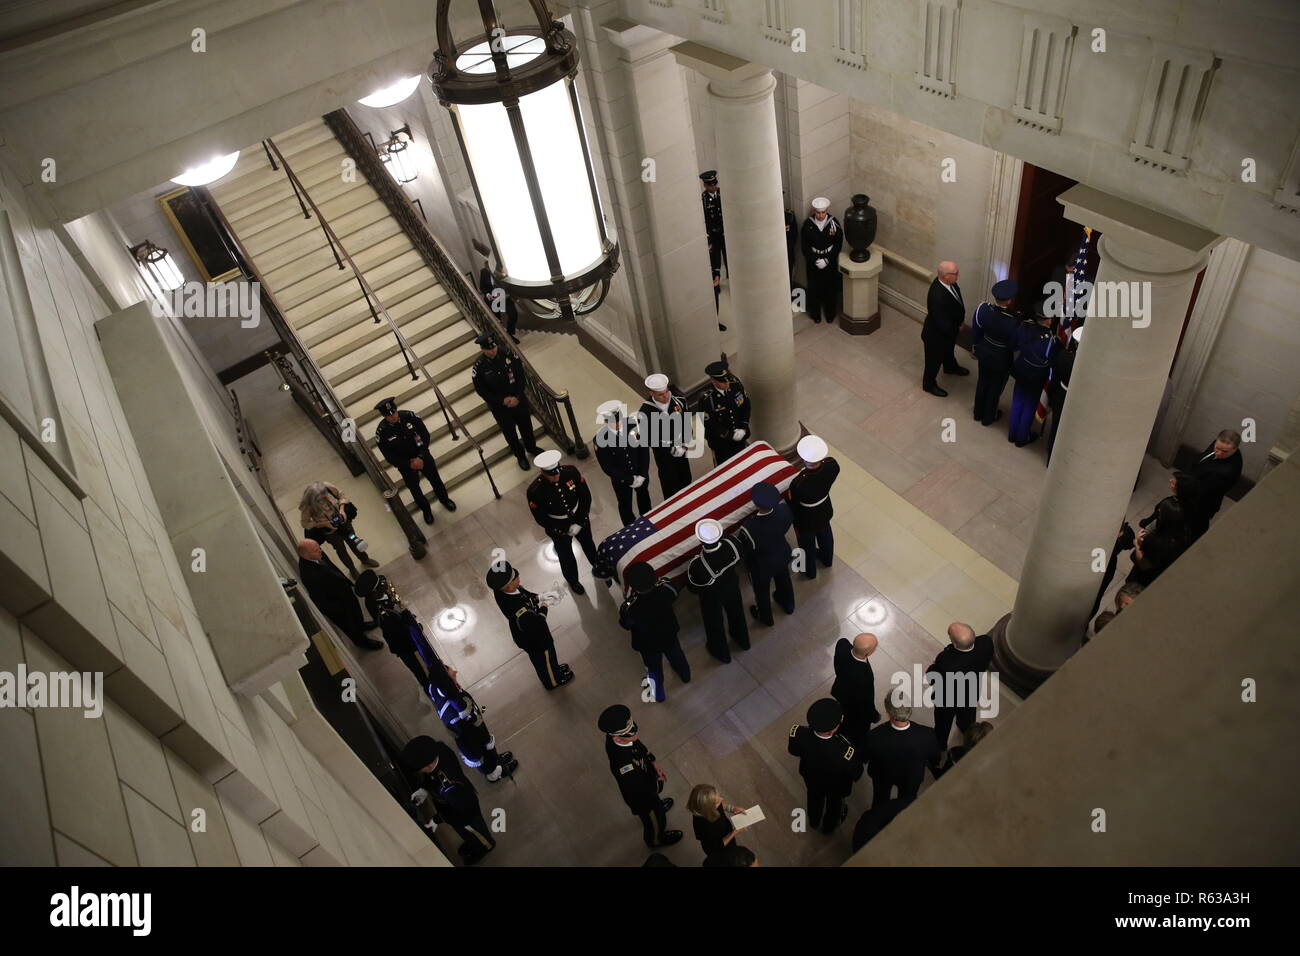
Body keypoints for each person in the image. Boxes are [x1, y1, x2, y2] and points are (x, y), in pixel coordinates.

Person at [402, 735, 496, 864]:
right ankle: (473, 842)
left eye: (420, 769)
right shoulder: (440, 750)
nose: (421, 772)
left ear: (428, 766)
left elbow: (460, 810)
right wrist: (424, 789)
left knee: (476, 832)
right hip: (456, 804)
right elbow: (432, 777)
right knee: (467, 834)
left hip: (465, 815)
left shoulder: (449, 787)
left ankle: (485, 847)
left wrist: (437, 818)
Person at [599, 705, 683, 848]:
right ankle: (656, 839)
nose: (635, 735)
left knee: (656, 805)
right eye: (630, 734)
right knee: (655, 821)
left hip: (648, 787)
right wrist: (654, 788)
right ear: (615, 737)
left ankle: (658, 806)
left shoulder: (624, 739)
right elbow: (638, 790)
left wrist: (653, 762)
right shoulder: (624, 765)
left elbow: (639, 746)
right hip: (644, 801)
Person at [486, 561, 574, 690]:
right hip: (535, 639)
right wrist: (545, 605)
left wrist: (541, 596)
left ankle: (554, 669)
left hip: (529, 631)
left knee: (548, 659)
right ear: (509, 587)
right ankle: (553, 680)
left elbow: (525, 595)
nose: (519, 579)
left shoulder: (505, 591)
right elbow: (538, 624)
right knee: (544, 660)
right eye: (516, 579)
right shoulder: (518, 610)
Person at [525, 450, 599, 595]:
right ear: (543, 473)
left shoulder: (570, 472)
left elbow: (585, 497)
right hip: (558, 527)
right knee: (566, 556)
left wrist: (580, 521)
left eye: (557, 472)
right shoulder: (535, 491)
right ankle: (573, 581)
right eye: (552, 475)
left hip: (579, 517)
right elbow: (541, 518)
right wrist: (561, 530)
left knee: (589, 545)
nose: (556, 477)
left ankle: (598, 568)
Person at [373, 397, 456, 525]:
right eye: (389, 415)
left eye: (394, 412)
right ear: (384, 416)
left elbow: (425, 436)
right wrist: (409, 463)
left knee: (435, 479)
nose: (393, 416)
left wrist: (421, 457)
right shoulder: (382, 432)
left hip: (422, 455)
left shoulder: (410, 416)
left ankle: (444, 500)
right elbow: (389, 456)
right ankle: (426, 510)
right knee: (415, 489)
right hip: (405, 465)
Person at [787, 698, 862, 834]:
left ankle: (814, 820)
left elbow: (793, 750)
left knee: (814, 799)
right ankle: (828, 827)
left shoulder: (797, 732)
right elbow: (856, 773)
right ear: (832, 731)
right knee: (835, 806)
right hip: (835, 786)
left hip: (811, 778)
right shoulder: (845, 751)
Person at [619, 562, 691, 702]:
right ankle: (685, 675)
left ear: (632, 586)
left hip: (648, 644)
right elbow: (675, 594)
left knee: (653, 669)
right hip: (668, 634)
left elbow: (625, 624)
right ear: (654, 577)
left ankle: (658, 694)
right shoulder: (667, 587)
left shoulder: (629, 607)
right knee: (677, 656)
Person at [296, 539, 383, 650]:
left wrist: (347, 583)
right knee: (350, 625)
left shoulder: (317, 554)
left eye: (319, 547)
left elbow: (332, 569)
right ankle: (362, 642)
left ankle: (361, 625)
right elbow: (319, 599)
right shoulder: (308, 574)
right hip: (338, 605)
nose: (320, 551)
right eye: (316, 550)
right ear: (305, 555)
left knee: (356, 612)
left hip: (344, 592)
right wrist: (339, 610)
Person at [471, 333, 541, 471]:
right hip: (500, 407)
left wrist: (517, 396)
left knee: (526, 426)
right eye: (489, 349)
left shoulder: (508, 355)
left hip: (518, 399)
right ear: (482, 350)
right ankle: (520, 456)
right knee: (510, 433)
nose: (493, 351)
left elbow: (521, 376)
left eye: (494, 347)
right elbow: (482, 391)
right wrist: (501, 401)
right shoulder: (479, 367)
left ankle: (531, 447)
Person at [685, 518, 750, 662]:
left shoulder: (697, 565)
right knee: (737, 613)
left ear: (701, 542)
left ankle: (721, 652)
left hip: (712, 596)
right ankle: (742, 640)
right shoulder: (732, 544)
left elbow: (693, 587)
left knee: (714, 623)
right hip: (732, 586)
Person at [926, 622, 994, 758]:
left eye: (950, 636)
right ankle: (967, 731)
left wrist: (933, 667)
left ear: (955, 644)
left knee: (943, 721)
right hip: (970, 691)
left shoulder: (946, 660)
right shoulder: (986, 642)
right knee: (968, 715)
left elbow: (932, 678)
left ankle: (941, 743)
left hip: (948, 698)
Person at [733, 481, 795, 626]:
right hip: (782, 554)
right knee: (784, 580)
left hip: (762, 565)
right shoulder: (785, 511)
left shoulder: (750, 528)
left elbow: (746, 550)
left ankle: (765, 616)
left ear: (756, 504)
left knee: (761, 592)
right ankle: (788, 604)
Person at [863, 698, 940, 807]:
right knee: (906, 803)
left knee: (880, 801)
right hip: (911, 777)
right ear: (909, 711)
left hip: (883, 775)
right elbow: (934, 758)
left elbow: (865, 757)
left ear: (888, 714)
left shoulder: (874, 735)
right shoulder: (928, 734)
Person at [787, 434, 839, 579]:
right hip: (824, 510)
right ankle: (827, 560)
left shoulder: (798, 483)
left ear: (804, 460)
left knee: (806, 546)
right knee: (826, 536)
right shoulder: (832, 466)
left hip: (806, 519)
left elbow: (793, 503)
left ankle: (809, 571)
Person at [299, 480, 377, 575]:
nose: (324, 498)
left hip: (344, 522)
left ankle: (365, 559)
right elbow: (305, 523)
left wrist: (342, 509)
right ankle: (352, 569)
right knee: (341, 550)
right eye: (320, 499)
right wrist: (323, 523)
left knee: (354, 540)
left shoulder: (327, 487)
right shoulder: (307, 505)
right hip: (330, 532)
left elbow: (341, 495)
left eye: (325, 495)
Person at [970, 279, 1019, 426]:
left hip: (984, 351)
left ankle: (977, 413)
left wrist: (978, 345)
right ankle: (988, 417)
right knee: (995, 387)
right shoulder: (1013, 321)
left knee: (982, 381)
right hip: (1001, 358)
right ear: (1009, 301)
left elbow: (976, 330)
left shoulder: (982, 308)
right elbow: (1014, 345)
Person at [594, 400, 651, 527]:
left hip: (640, 473)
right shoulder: (600, 439)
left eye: (620, 420)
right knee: (625, 505)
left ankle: (648, 521)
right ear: (606, 422)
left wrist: (642, 474)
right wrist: (629, 479)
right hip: (621, 481)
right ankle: (630, 528)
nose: (619, 424)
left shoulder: (633, 425)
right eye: (614, 422)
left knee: (644, 498)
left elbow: (644, 450)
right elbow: (608, 467)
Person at [639, 373, 694, 499]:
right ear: (651, 393)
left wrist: (684, 445)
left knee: (686, 479)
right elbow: (649, 439)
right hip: (664, 457)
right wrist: (671, 448)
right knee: (670, 487)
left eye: (666, 392)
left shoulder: (679, 401)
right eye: (660, 394)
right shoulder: (645, 412)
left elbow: (687, 425)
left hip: (681, 451)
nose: (665, 397)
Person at [920, 260, 969, 396]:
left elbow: (956, 303)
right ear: (946, 276)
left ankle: (950, 367)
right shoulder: (937, 296)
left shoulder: (950, 283)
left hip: (948, 332)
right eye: (955, 273)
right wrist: (958, 329)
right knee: (933, 362)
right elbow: (942, 323)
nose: (958, 275)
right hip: (936, 336)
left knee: (948, 350)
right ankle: (929, 385)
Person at [1008, 306, 1053, 446]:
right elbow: (1050, 359)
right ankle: (1022, 438)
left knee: (1017, 401)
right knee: (1029, 406)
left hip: (1022, 369)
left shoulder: (1025, 327)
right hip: (1036, 376)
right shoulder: (1051, 339)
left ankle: (1012, 434)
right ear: (1048, 320)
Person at [1187, 429, 1244, 539]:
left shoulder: (1226, 472)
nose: (1218, 453)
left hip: (1203, 502)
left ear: (1235, 450)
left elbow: (1204, 491)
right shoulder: (1219, 444)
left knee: (1196, 526)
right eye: (1217, 448)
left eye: (1225, 452)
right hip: (1197, 485)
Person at [830, 632, 880, 752]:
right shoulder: (865, 677)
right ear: (868, 653)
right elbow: (867, 700)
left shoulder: (842, 644)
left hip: (840, 690)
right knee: (856, 724)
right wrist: (873, 715)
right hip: (854, 704)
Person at [1126, 496, 1189, 587]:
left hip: (1145, 578)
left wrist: (1137, 544)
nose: (1158, 512)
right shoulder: (1183, 534)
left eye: (1160, 511)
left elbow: (1144, 564)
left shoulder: (1158, 541)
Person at [697, 359, 751, 466]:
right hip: (721, 443)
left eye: (728, 380)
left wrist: (743, 427)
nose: (727, 384)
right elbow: (709, 424)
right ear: (713, 381)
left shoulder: (735, 385)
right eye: (723, 382)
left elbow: (745, 406)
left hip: (740, 435)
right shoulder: (707, 399)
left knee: (743, 464)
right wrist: (729, 435)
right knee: (725, 468)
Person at [800, 197, 843, 324]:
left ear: (826, 211)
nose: (820, 215)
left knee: (830, 287)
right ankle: (815, 314)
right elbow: (805, 246)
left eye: (823, 212)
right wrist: (814, 260)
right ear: (815, 211)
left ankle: (830, 313)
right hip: (813, 261)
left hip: (829, 261)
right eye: (818, 212)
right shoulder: (808, 225)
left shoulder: (833, 223)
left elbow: (838, 244)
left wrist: (827, 260)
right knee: (814, 288)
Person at [1046, 327, 1082, 462]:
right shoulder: (1086, 364)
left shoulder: (1063, 356)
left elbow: (1054, 377)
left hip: (1060, 395)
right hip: (1075, 400)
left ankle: (1051, 456)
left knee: (1055, 427)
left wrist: (1051, 397)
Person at [687, 783, 747, 857]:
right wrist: (734, 832)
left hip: (725, 831)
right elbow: (716, 847)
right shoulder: (706, 826)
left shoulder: (702, 807)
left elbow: (722, 805)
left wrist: (732, 808)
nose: (722, 799)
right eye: (717, 802)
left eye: (719, 797)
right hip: (720, 850)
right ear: (709, 808)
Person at [701, 170, 727, 330]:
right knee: (716, 258)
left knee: (729, 258)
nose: (714, 187)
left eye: (715, 184)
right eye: (711, 185)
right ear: (705, 185)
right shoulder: (704, 200)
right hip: (714, 236)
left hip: (725, 233)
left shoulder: (721, 194)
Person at [478, 257, 519, 343]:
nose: (489, 269)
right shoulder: (484, 272)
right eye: (488, 267)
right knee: (497, 320)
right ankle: (502, 339)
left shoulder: (502, 271)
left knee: (513, 314)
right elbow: (482, 287)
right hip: (492, 299)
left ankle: (510, 334)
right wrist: (487, 294)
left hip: (504, 297)